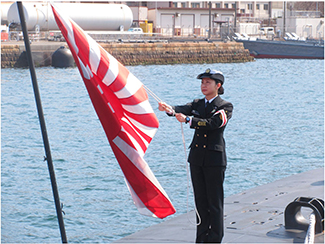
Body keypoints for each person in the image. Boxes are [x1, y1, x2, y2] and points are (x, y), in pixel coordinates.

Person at [159, 68, 233, 243]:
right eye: (202, 82)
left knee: (214, 203)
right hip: (197, 159)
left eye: (208, 82)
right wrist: (168, 109)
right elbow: (181, 109)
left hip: (214, 160)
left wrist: (188, 120)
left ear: (218, 85)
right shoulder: (198, 104)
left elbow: (214, 123)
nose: (204, 85)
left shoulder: (225, 106)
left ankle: (214, 239)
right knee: (200, 201)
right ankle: (201, 239)